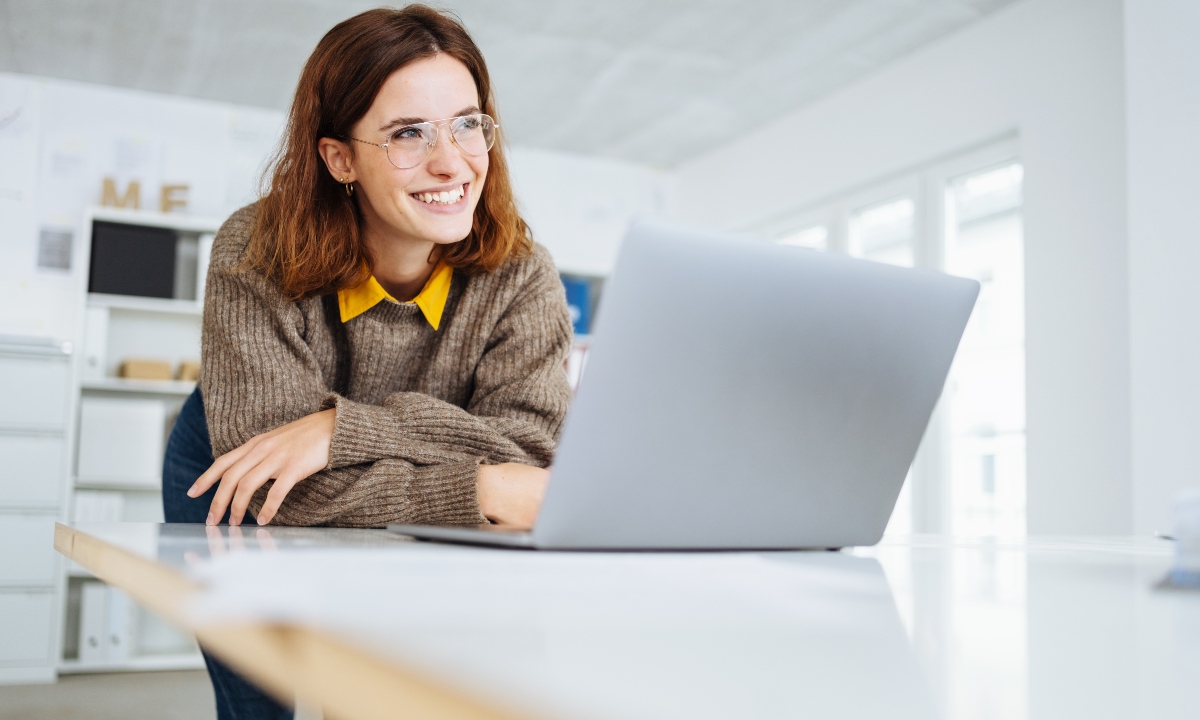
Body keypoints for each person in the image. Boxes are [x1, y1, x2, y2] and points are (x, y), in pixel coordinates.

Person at [161, 6, 573, 718]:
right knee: (261, 695)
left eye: (468, 123)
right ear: (339, 158)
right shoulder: (256, 247)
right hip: (229, 460)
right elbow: (275, 494)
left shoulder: (523, 272)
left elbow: (531, 456)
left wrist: (339, 433)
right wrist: (485, 490)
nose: (452, 162)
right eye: (408, 133)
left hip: (386, 466)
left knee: (388, 679)